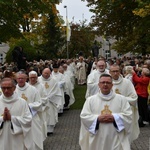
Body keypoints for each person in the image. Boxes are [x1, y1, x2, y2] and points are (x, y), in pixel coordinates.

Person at [79, 74, 132, 150]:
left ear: (112, 85)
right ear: (98, 85)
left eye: (108, 82)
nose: (105, 84)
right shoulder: (90, 100)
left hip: (116, 137)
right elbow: (84, 116)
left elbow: (128, 115)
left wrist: (115, 117)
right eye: (103, 82)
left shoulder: (122, 99)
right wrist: (97, 118)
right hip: (97, 138)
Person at [0, 78, 33, 150]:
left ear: (14, 88)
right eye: (3, 88)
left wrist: (12, 118)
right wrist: (3, 119)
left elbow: (28, 120)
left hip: (17, 138)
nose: (6, 90)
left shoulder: (22, 102)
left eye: (8, 88)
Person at [109, 64, 139, 142]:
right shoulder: (106, 83)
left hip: (125, 113)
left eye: (117, 71)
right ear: (110, 72)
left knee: (125, 134)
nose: (115, 73)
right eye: (113, 71)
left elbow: (134, 98)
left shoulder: (127, 82)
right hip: (112, 113)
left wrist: (121, 98)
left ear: (120, 71)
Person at [15, 71, 43, 150]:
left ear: (26, 79)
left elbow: (39, 102)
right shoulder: (13, 90)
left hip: (32, 118)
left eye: (22, 78)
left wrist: (29, 106)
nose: (20, 80)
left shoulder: (33, 89)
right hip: (19, 119)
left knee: (34, 136)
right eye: (19, 78)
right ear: (16, 79)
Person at [38, 68, 62, 135]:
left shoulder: (54, 80)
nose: (46, 75)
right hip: (41, 101)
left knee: (50, 115)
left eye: (47, 73)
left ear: (50, 74)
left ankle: (49, 130)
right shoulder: (38, 80)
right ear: (42, 73)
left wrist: (49, 97)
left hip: (50, 101)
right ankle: (42, 129)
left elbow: (56, 90)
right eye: (45, 73)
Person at [28, 70, 49, 141]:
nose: (32, 79)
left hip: (38, 111)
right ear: (29, 78)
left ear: (37, 77)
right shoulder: (27, 87)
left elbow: (45, 98)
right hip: (28, 112)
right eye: (31, 77)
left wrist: (37, 105)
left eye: (34, 77)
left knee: (40, 126)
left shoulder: (41, 86)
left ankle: (40, 141)